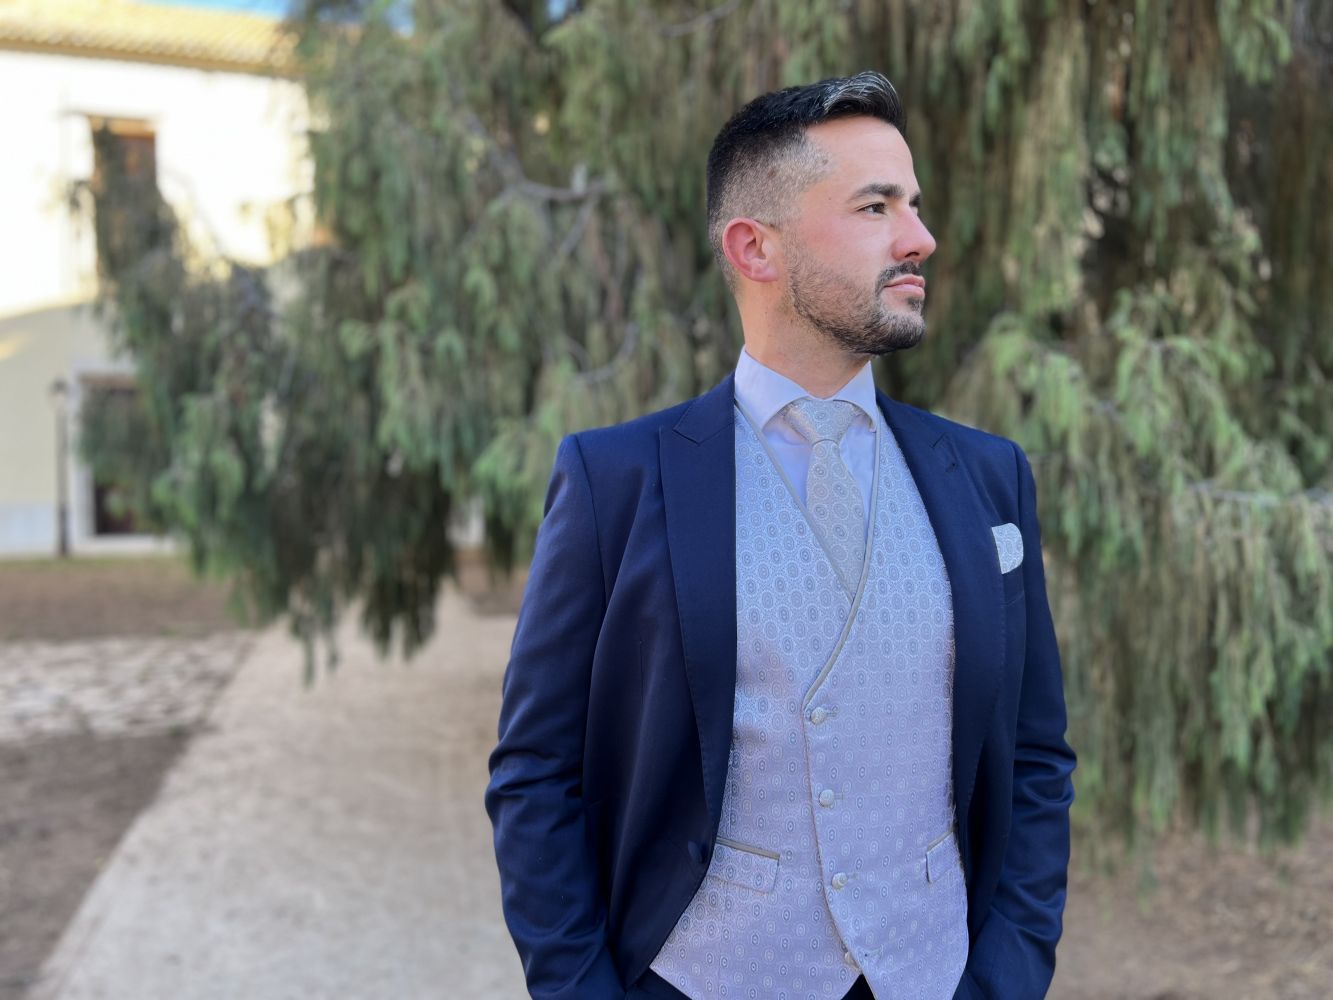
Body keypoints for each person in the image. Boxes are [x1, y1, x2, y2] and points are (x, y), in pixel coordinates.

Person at [485, 70, 1076, 1000]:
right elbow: (536, 772)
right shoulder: (616, 481)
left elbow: (1035, 753)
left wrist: (1008, 972)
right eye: (875, 206)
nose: (918, 237)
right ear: (754, 247)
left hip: (933, 972)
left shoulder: (987, 474)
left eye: (912, 204)